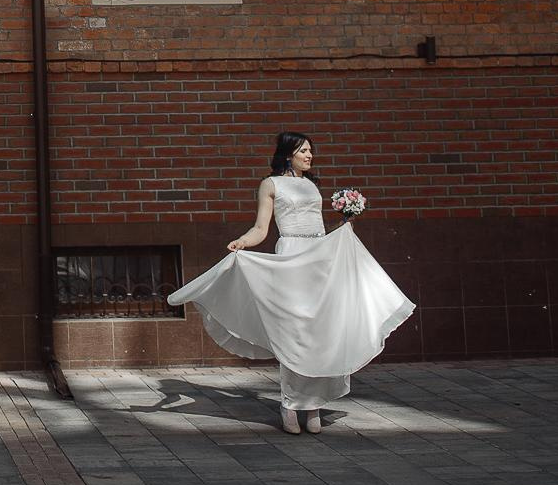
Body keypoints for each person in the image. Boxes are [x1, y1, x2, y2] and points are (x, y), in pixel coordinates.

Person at [168, 131, 413, 435]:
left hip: (319, 256)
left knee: (321, 329)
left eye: (311, 150)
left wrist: (346, 222)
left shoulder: (311, 185)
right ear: (288, 154)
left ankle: (313, 405)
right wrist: (242, 242)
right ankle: (291, 403)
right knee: (295, 330)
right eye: (304, 151)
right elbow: (261, 228)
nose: (310, 156)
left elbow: (318, 226)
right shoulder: (270, 184)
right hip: (292, 254)